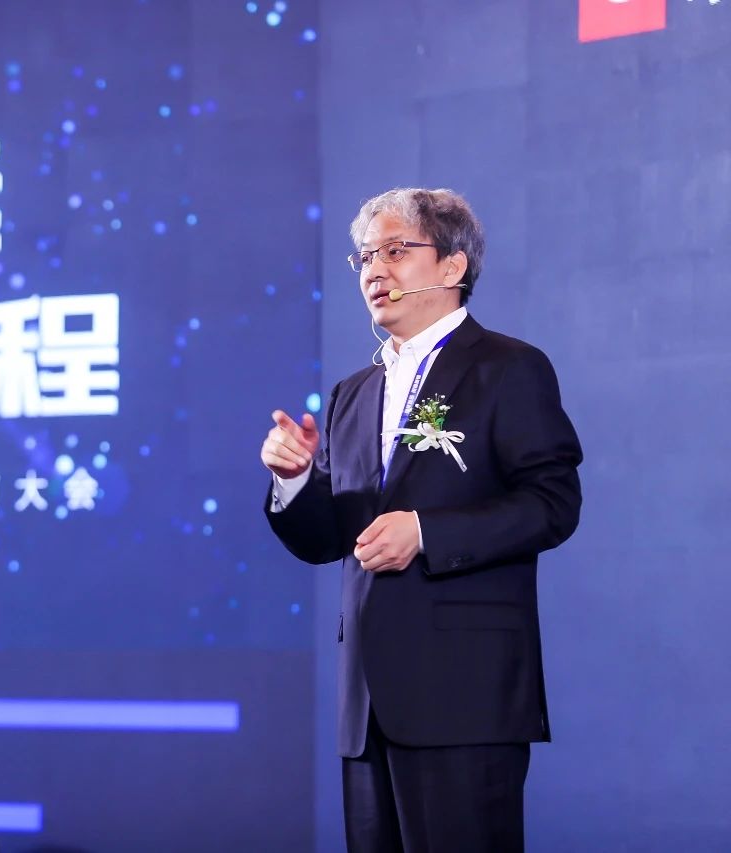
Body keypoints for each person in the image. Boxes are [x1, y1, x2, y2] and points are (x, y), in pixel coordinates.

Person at [261, 188, 583, 852]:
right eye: (365, 257)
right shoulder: (352, 393)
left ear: (452, 266)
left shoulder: (508, 368)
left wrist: (428, 533)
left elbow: (552, 504)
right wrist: (293, 480)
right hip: (367, 706)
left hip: (464, 695)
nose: (374, 271)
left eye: (395, 251)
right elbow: (329, 539)